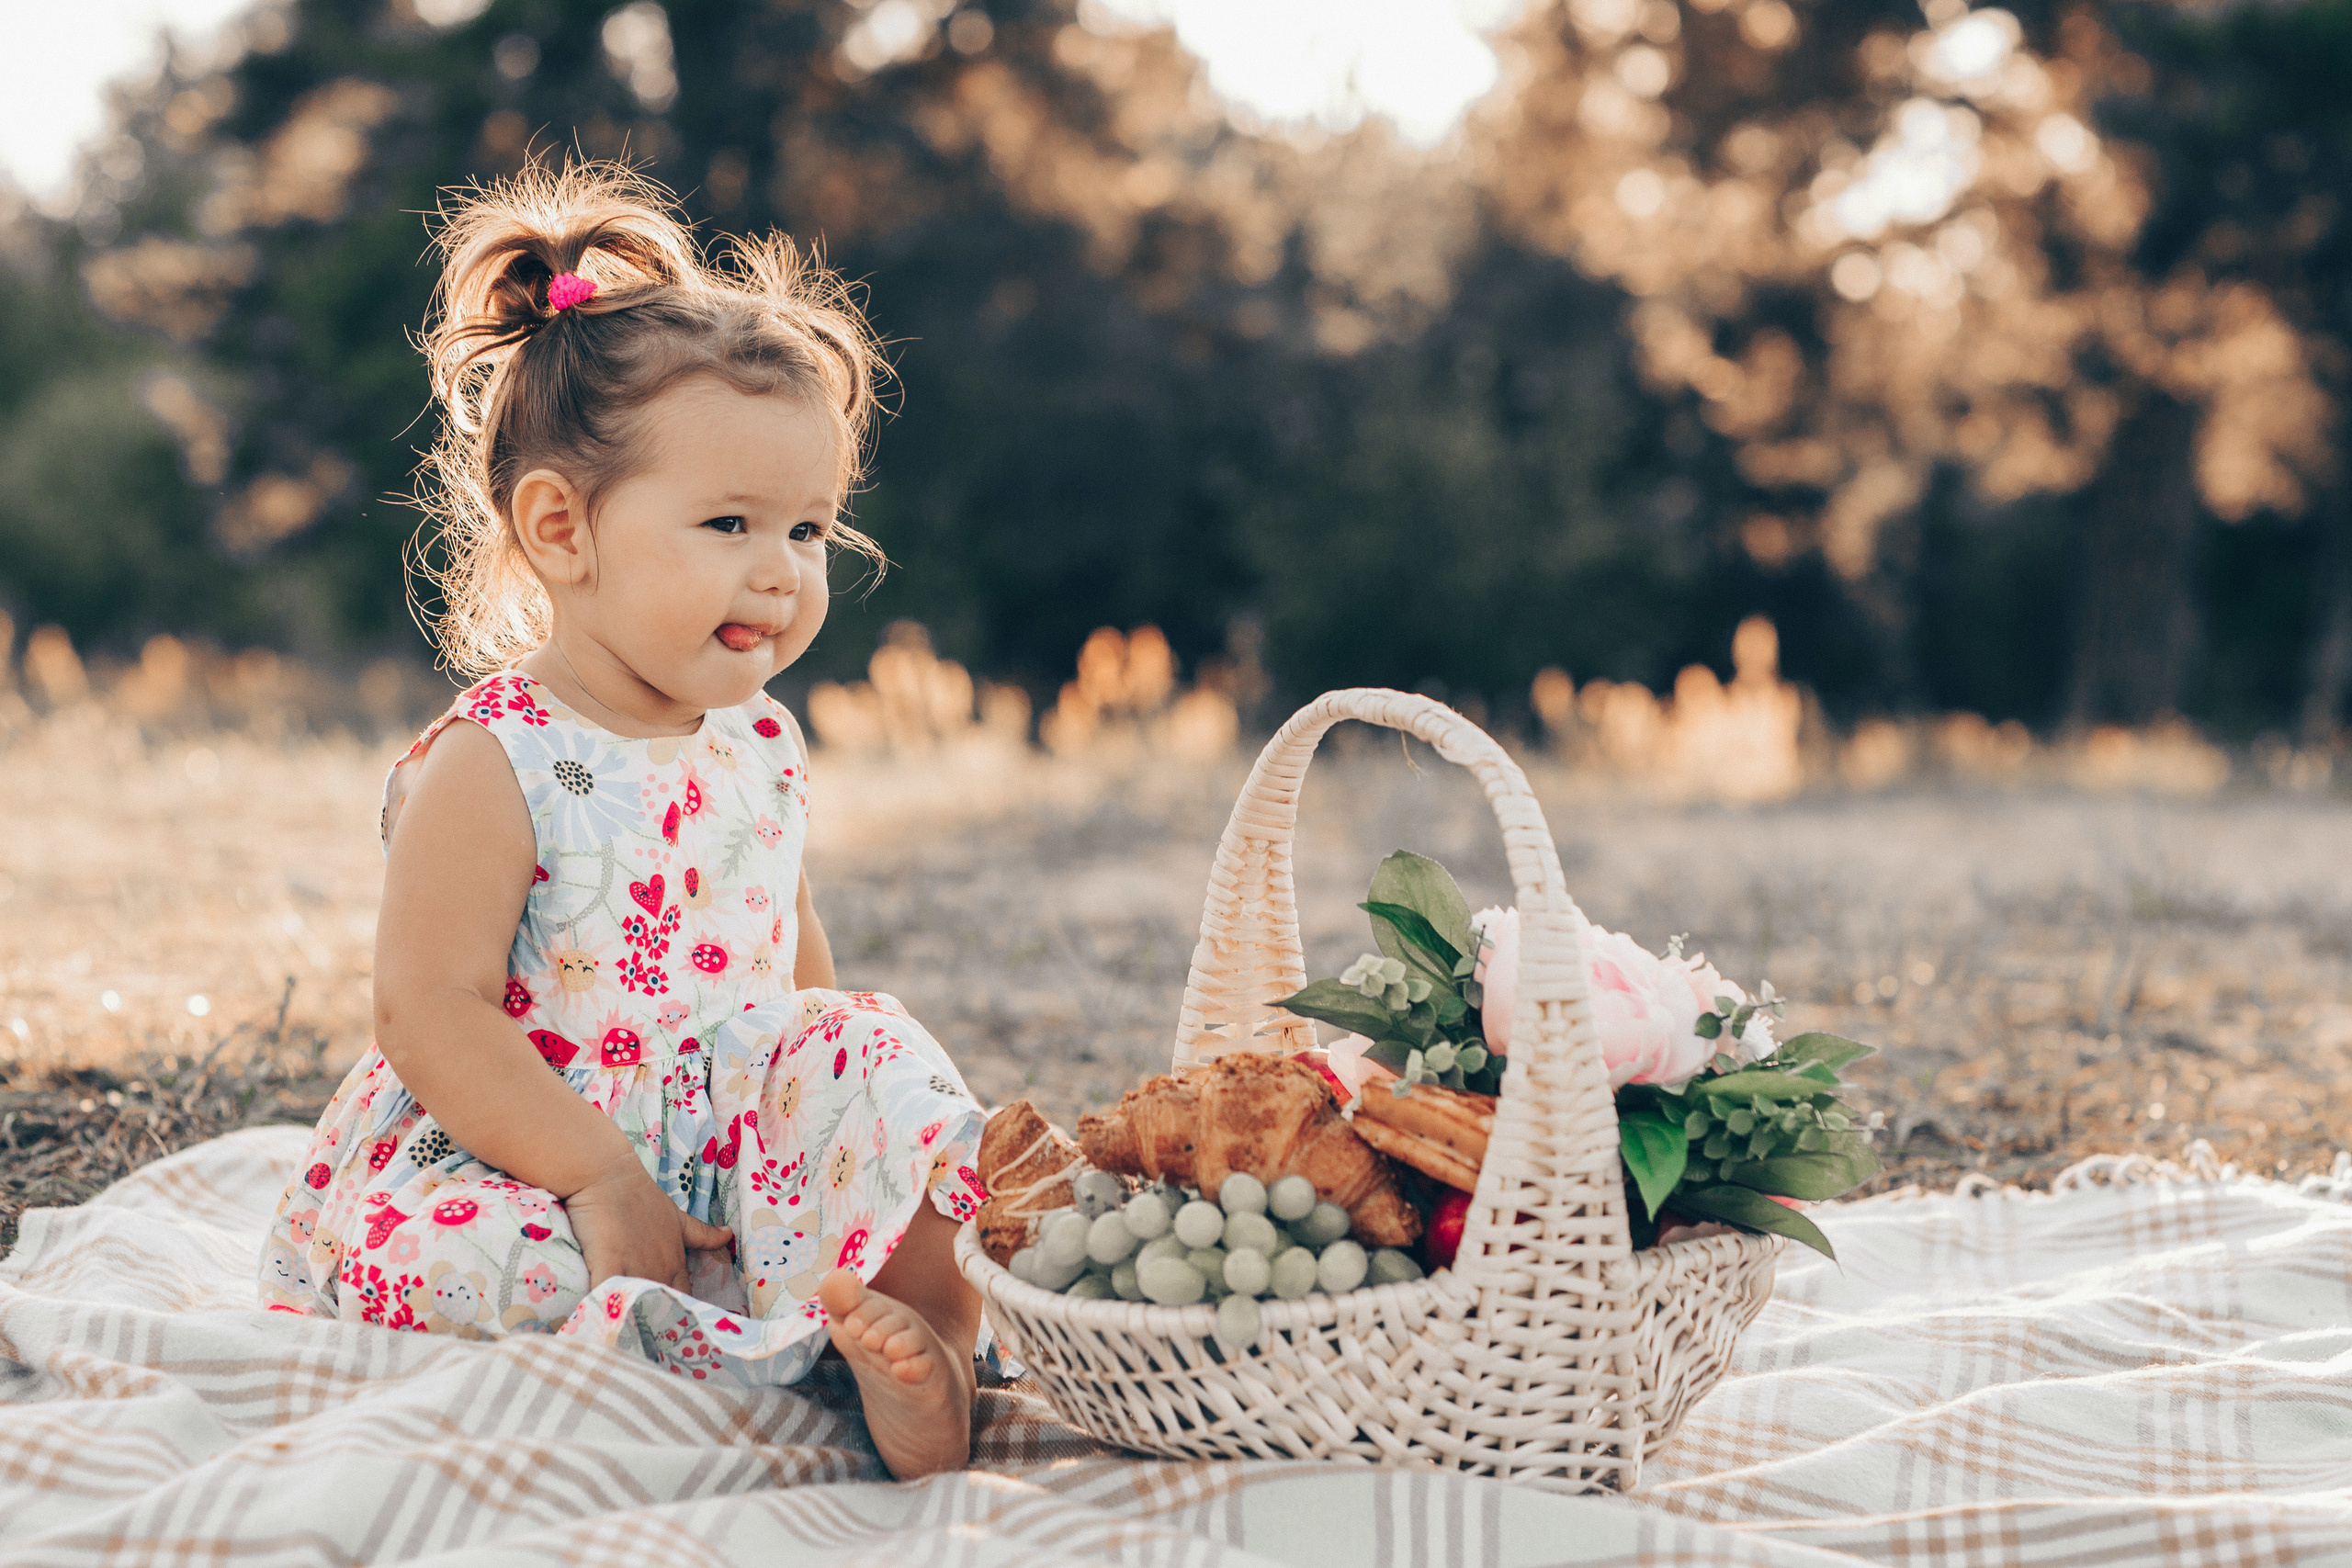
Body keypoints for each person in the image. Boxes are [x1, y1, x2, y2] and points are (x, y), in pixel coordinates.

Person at [256, 164, 988, 1480]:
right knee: (469, 1260)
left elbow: (794, 964)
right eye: (729, 524)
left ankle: (921, 1341)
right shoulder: (498, 759)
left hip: (729, 1142)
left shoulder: (760, 739)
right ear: (561, 528)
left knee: (892, 1073)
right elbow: (429, 1013)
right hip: (536, 1144)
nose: (783, 569)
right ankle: (683, 1322)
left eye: (811, 528)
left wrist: (828, 1133)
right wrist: (601, 1176)